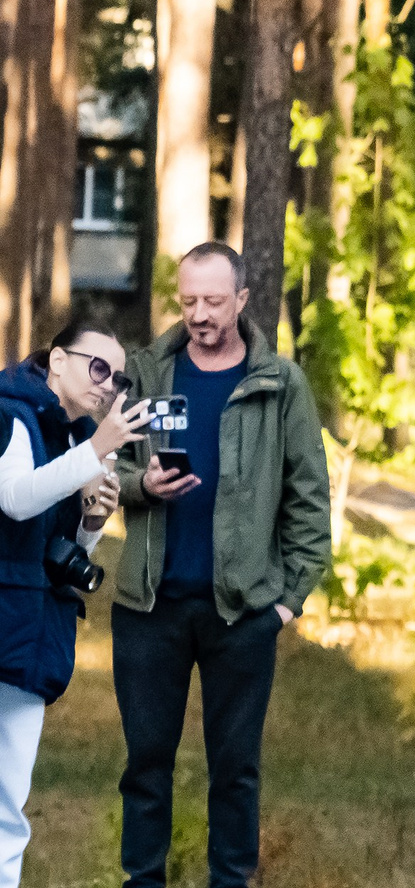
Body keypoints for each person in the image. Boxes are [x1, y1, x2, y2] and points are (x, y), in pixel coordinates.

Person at [112, 242, 332, 888]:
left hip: (241, 613)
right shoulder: (146, 371)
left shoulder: (279, 383)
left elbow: (309, 502)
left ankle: (230, 881)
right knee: (146, 763)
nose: (200, 314)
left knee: (234, 768)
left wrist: (287, 602)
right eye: (188, 301)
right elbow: (107, 466)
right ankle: (141, 880)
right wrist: (140, 485)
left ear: (241, 299)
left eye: (213, 300)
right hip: (150, 607)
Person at [0, 322, 141, 888]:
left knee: (10, 805)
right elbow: (14, 499)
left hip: (32, 636)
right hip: (9, 622)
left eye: (118, 376)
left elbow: (61, 552)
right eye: (97, 367)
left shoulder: (71, 437)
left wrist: (90, 522)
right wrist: (96, 449)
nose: (107, 385)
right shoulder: (13, 412)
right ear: (57, 360)